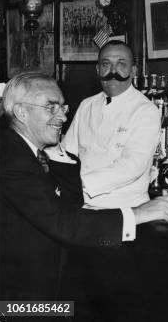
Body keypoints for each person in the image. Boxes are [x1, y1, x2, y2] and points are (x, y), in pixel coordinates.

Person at [0, 72, 168, 300]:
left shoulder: (24, 149)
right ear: (21, 112)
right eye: (51, 107)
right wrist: (136, 214)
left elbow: (71, 201)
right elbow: (62, 222)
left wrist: (52, 146)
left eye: (63, 108)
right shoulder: (11, 157)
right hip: (16, 298)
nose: (63, 118)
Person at [61, 41, 161, 209]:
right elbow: (67, 152)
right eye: (106, 64)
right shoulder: (87, 105)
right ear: (98, 69)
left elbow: (132, 166)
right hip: (80, 205)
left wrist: (81, 183)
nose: (113, 72)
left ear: (133, 70)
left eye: (121, 64)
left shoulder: (145, 110)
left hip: (124, 209)